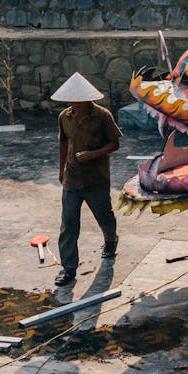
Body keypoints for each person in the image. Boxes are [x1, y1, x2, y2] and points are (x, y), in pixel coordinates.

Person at [52, 72, 122, 286]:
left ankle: (111, 241)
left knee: (105, 218)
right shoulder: (64, 116)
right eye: (70, 99)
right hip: (72, 179)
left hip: (96, 179)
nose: (72, 103)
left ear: (85, 99)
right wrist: (61, 169)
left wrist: (93, 154)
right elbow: (63, 143)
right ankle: (68, 268)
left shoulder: (102, 116)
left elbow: (115, 144)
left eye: (75, 99)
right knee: (69, 224)